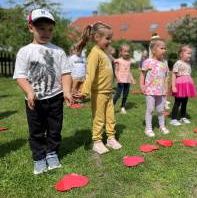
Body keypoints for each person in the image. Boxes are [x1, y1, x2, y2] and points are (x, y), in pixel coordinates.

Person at [13, 9, 73, 175]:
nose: (46, 32)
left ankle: (52, 153)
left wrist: (67, 91)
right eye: (41, 28)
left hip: (55, 97)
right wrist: (29, 91)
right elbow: (20, 76)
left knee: (55, 128)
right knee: (36, 129)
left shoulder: (58, 51)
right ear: (31, 28)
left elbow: (66, 73)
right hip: (34, 100)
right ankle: (39, 157)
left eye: (50, 29)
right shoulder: (25, 51)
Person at [75, 21, 122, 154]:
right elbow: (90, 75)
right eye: (107, 38)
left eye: (110, 38)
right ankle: (97, 141)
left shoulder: (104, 52)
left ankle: (111, 138)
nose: (110, 41)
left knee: (111, 117)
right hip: (98, 93)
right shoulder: (95, 53)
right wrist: (84, 92)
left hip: (108, 92)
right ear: (97, 37)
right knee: (99, 118)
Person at [140, 32, 169, 137]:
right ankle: (148, 128)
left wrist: (166, 89)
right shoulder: (148, 62)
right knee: (150, 109)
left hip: (160, 91)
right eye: (161, 48)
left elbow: (166, 76)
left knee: (161, 109)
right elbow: (142, 75)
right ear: (153, 50)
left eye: (164, 48)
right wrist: (141, 86)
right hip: (150, 90)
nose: (164, 51)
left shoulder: (164, 63)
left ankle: (162, 126)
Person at [169, 45, 197, 126]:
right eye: (188, 53)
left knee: (185, 102)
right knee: (177, 102)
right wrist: (173, 86)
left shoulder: (188, 64)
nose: (190, 55)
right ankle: (173, 119)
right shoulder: (177, 63)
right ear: (181, 54)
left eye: (190, 53)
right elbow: (174, 75)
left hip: (187, 85)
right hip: (179, 85)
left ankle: (183, 116)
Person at [113, 44, 137, 113]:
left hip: (127, 81)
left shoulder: (129, 61)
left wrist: (132, 79)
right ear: (120, 52)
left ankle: (122, 107)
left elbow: (129, 72)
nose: (127, 53)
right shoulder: (118, 61)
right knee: (118, 95)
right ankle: (111, 107)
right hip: (121, 81)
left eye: (128, 52)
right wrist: (118, 78)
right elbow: (116, 71)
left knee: (125, 95)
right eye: (125, 51)